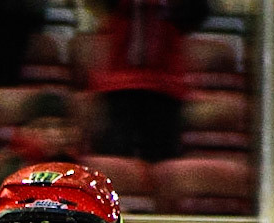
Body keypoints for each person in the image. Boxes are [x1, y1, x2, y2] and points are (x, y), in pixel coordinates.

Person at [86, 0, 207, 163]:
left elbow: (196, 14)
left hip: (164, 87)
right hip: (120, 85)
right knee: (115, 160)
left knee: (164, 165)